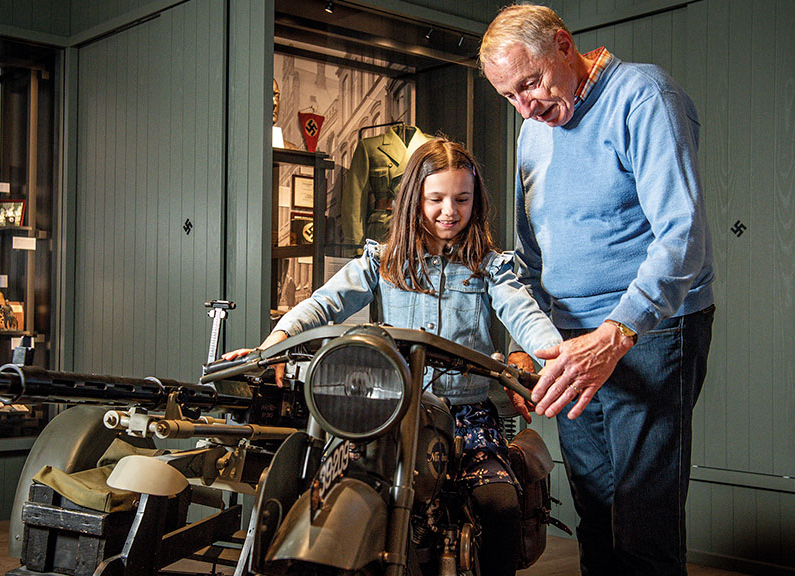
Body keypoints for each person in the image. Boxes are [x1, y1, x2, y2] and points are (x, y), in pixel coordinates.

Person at [225, 137, 563, 574]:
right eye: (435, 199)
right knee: (333, 485)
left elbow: (525, 313)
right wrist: (278, 340)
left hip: (466, 416)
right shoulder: (383, 262)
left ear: (475, 202)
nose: (449, 211)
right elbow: (324, 303)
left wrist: (555, 356)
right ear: (413, 200)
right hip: (392, 412)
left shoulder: (489, 267)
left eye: (462, 199)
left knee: (498, 503)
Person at [479, 5, 715, 576]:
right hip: (566, 340)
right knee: (594, 507)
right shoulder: (533, 131)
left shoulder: (643, 96)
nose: (525, 107)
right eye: (509, 96)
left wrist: (616, 333)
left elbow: (682, 235)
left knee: (643, 519)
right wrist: (525, 345)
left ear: (564, 46)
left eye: (530, 83)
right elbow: (531, 255)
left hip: (649, 332)